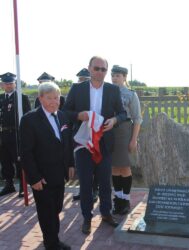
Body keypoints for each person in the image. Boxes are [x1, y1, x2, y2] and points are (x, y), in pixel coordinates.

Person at [63, 56, 127, 234]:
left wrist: (114, 120)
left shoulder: (113, 90)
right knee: (85, 182)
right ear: (89, 68)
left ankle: (106, 213)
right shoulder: (77, 88)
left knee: (106, 182)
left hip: (104, 143)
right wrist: (78, 115)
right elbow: (65, 112)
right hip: (84, 143)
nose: (100, 72)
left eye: (103, 69)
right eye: (97, 68)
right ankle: (86, 217)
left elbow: (123, 114)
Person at [20, 82, 74, 250]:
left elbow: (67, 143)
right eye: (49, 98)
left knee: (56, 208)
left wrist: (70, 164)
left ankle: (53, 240)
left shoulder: (62, 116)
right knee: (46, 212)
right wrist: (34, 177)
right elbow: (26, 152)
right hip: (41, 177)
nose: (53, 101)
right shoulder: (30, 120)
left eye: (56, 97)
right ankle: (51, 244)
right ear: (40, 98)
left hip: (59, 174)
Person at [110, 65, 142, 215]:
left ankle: (126, 200)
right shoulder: (107, 92)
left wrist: (134, 140)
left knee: (125, 167)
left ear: (124, 77)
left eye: (118, 75)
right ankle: (118, 199)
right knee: (114, 167)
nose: (115, 78)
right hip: (109, 132)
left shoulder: (130, 94)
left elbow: (137, 118)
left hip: (124, 131)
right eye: (113, 75)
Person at [0, 72, 31, 197]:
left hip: (16, 133)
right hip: (3, 134)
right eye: (6, 83)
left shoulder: (21, 98)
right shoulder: (1, 98)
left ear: (14, 84)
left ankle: (23, 185)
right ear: (2, 85)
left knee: (19, 160)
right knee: (5, 160)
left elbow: (28, 116)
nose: (8, 86)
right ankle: (9, 184)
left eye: (11, 83)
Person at [71, 68, 99, 203]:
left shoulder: (98, 92)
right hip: (80, 134)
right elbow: (69, 111)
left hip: (96, 133)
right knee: (81, 167)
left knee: (94, 165)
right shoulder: (76, 90)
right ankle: (83, 190)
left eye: (85, 79)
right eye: (81, 79)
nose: (82, 82)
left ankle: (94, 190)